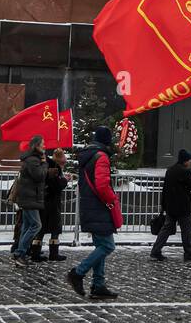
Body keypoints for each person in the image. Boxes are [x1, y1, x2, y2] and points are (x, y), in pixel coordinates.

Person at [67, 126, 123, 298]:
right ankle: (78, 273)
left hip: (90, 205)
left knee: (101, 245)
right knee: (107, 246)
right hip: (99, 206)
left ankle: (98, 285)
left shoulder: (89, 155)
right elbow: (102, 185)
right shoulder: (102, 157)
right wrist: (111, 200)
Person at [150, 149, 191, 261]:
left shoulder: (170, 170)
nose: (190, 161)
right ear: (185, 161)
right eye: (189, 160)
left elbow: (165, 189)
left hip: (170, 206)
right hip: (182, 206)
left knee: (166, 229)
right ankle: (189, 252)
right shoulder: (185, 171)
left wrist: (164, 205)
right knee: (186, 230)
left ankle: (155, 250)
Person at [11, 135, 48, 267]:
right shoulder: (33, 160)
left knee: (27, 226)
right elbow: (39, 176)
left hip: (29, 197)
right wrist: (44, 163)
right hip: (30, 198)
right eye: (43, 144)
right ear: (37, 145)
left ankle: (21, 254)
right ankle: (19, 253)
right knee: (36, 225)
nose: (45, 146)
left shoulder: (32, 159)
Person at [30, 148, 68, 262]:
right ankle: (53, 254)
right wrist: (65, 180)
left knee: (41, 229)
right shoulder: (54, 169)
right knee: (55, 229)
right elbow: (56, 185)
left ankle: (35, 252)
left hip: (43, 201)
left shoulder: (43, 167)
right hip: (52, 203)